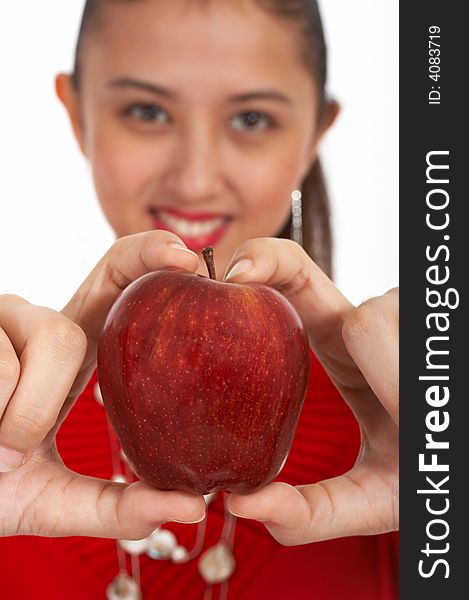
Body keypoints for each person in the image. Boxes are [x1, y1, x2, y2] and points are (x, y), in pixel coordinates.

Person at [0, 0, 399, 598]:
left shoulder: (406, 430)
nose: (195, 178)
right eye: (147, 110)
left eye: (252, 119)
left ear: (317, 132)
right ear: (77, 115)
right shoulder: (13, 433)